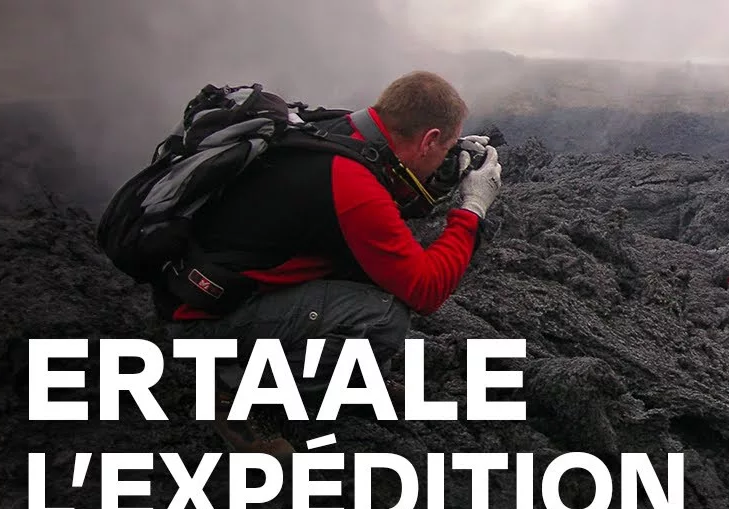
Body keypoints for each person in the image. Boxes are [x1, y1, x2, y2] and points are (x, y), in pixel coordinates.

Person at [163, 71, 503, 456]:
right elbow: (426, 290)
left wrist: (438, 175)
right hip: (204, 326)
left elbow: (379, 205)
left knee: (375, 272)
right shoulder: (351, 181)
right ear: (428, 140)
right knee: (383, 315)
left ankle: (339, 380)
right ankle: (233, 394)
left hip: (204, 288)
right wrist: (473, 207)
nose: (447, 155)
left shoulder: (337, 132)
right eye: (446, 148)